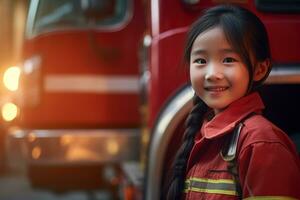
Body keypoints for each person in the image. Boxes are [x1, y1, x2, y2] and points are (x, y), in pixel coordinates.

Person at [166, 4, 300, 200]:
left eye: (228, 59)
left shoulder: (261, 144)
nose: (212, 74)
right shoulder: (201, 135)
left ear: (260, 70)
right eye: (201, 61)